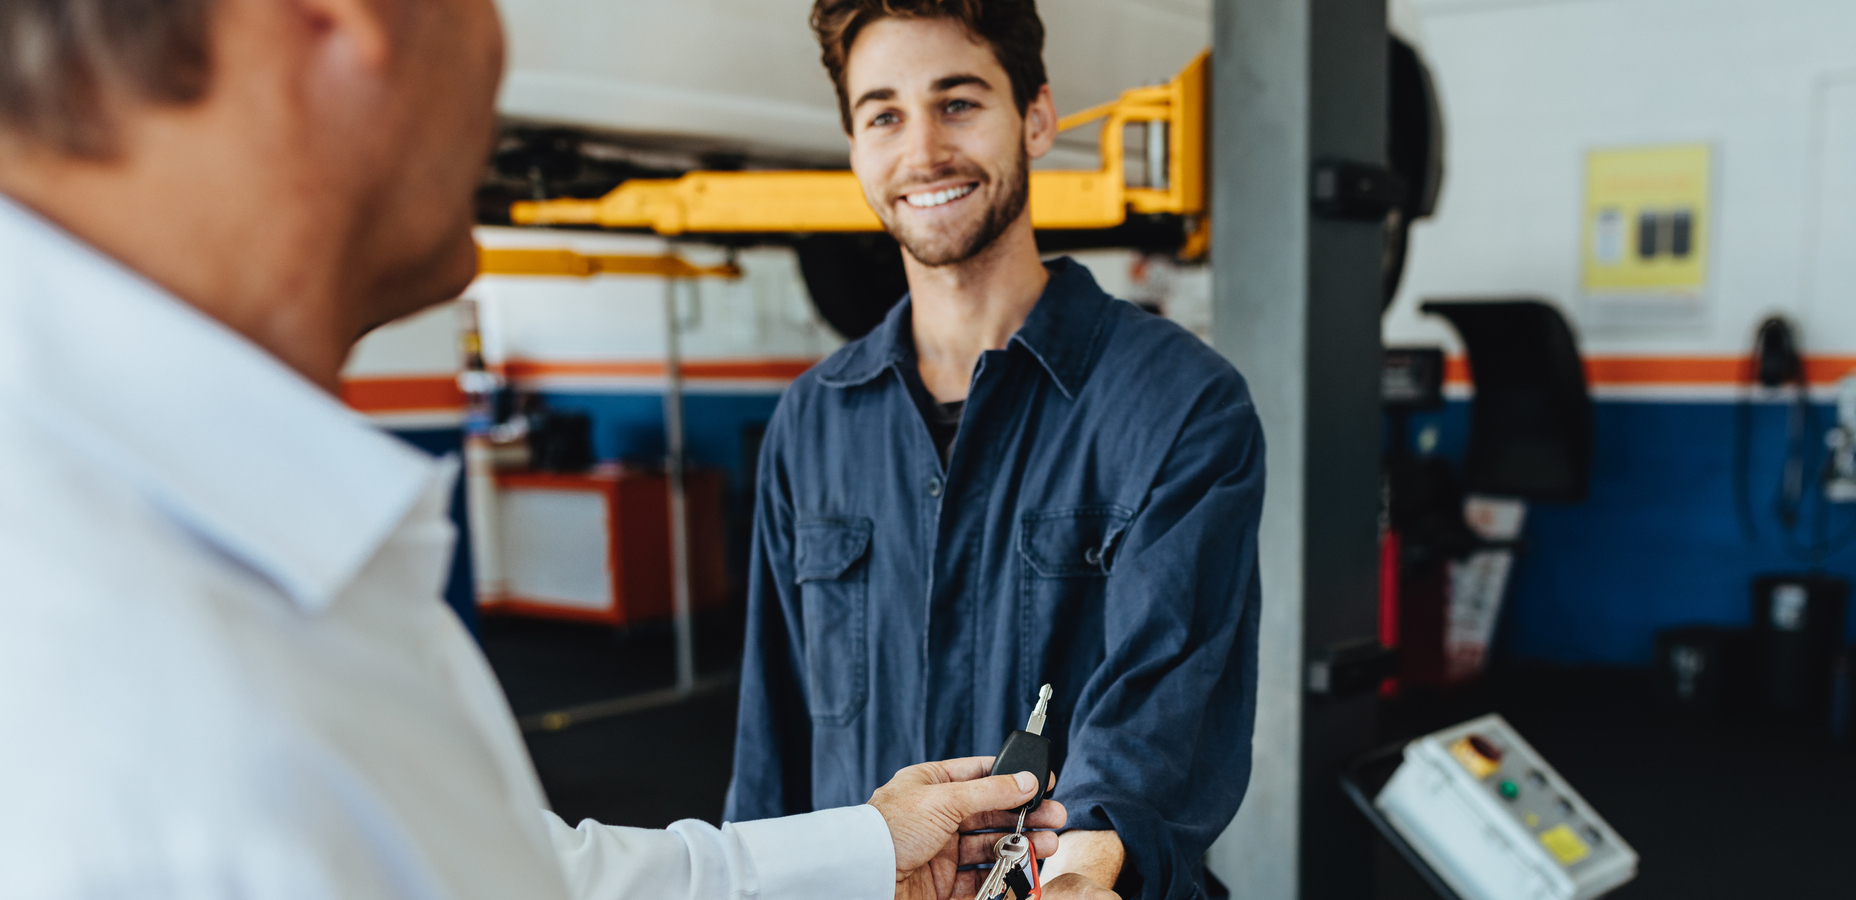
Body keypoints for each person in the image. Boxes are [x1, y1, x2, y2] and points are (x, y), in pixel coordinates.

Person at [0, 0, 1063, 897]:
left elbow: (519, 876)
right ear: (343, 18)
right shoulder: (118, 667)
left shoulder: (169, 555)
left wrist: (865, 848)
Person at [725, 3, 1266, 899]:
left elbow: (1164, 701)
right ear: (854, 146)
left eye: (958, 103)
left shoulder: (1179, 402)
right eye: (884, 115)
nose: (923, 150)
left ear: (1036, 119)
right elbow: (771, 739)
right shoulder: (812, 420)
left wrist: (1084, 867)